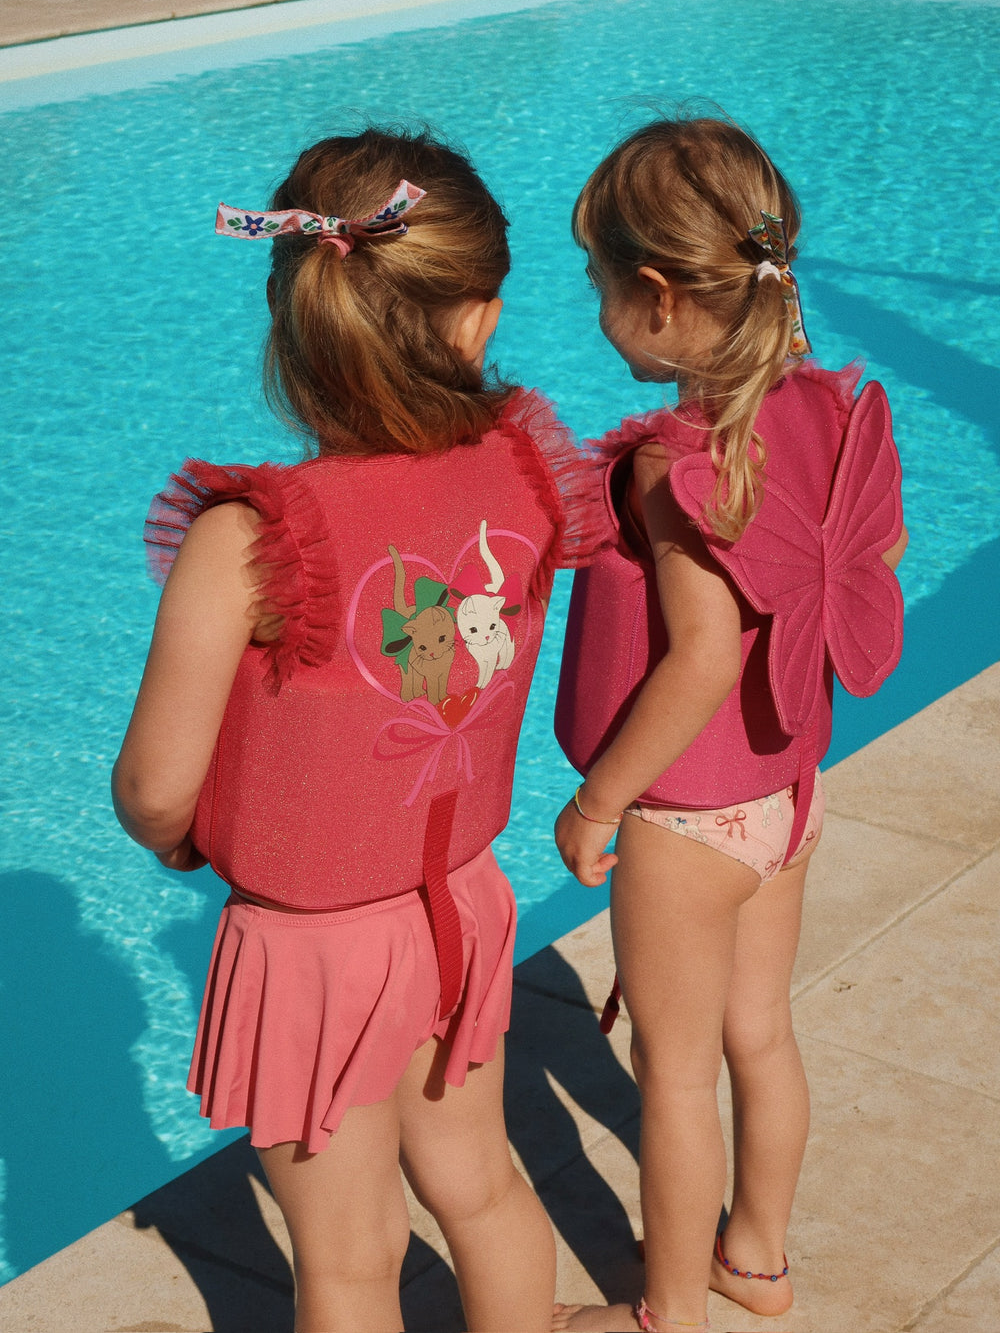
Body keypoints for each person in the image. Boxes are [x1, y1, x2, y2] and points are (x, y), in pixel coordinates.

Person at [111, 126, 603, 1333]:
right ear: (478, 321)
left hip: (312, 949)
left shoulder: (248, 538)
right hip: (459, 903)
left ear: (294, 325)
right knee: (481, 1186)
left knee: (347, 1260)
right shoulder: (526, 468)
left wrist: (180, 840)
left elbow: (155, 787)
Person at [550, 116, 907, 1332]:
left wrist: (597, 799)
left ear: (657, 294)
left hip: (688, 823)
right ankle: (753, 1258)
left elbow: (700, 655)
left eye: (596, 280)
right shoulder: (828, 407)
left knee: (673, 1075)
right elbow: (877, 551)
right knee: (761, 1033)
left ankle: (665, 1315)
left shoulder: (676, 462)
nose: (596, 304)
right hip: (787, 796)